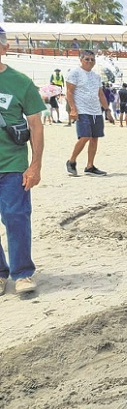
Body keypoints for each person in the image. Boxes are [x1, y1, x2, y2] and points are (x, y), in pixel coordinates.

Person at [0, 27, 46, 294]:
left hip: (13, 164)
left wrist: (35, 164)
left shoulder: (21, 82)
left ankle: (22, 274)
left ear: (4, 48)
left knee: (15, 217)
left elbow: (35, 124)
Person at [65, 50, 109, 177]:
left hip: (96, 111)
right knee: (85, 137)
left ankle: (90, 166)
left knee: (94, 138)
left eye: (92, 59)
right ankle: (71, 161)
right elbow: (69, 92)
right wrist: (73, 109)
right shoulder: (75, 73)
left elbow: (100, 94)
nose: (90, 61)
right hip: (82, 110)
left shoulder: (96, 76)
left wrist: (107, 110)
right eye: (87, 59)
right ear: (81, 60)